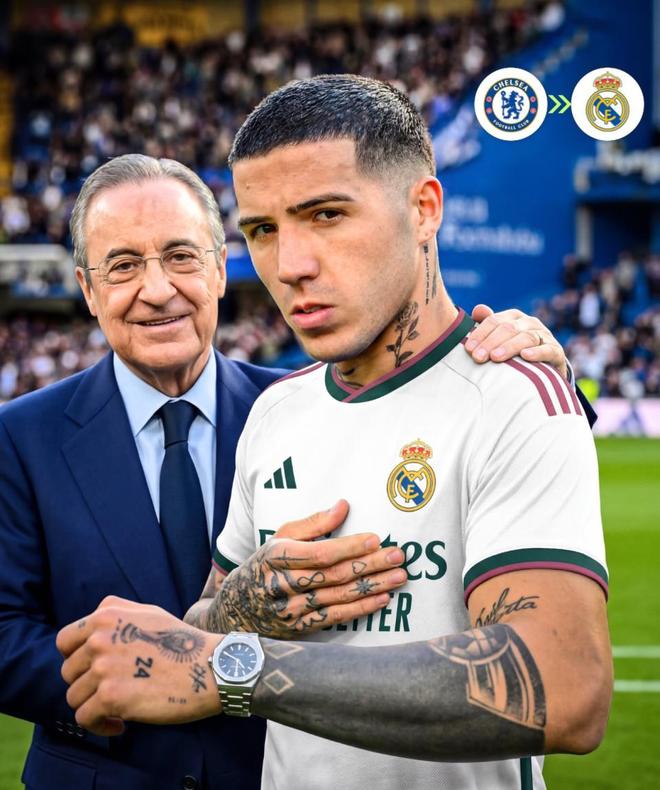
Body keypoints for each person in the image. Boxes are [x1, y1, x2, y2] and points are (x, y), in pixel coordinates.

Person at [57, 76, 611, 790]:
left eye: (326, 215)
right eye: (262, 230)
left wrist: (236, 669)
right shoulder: (276, 412)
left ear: (423, 209)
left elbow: (565, 689)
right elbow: (204, 625)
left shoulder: (513, 396)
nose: (291, 266)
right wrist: (246, 603)